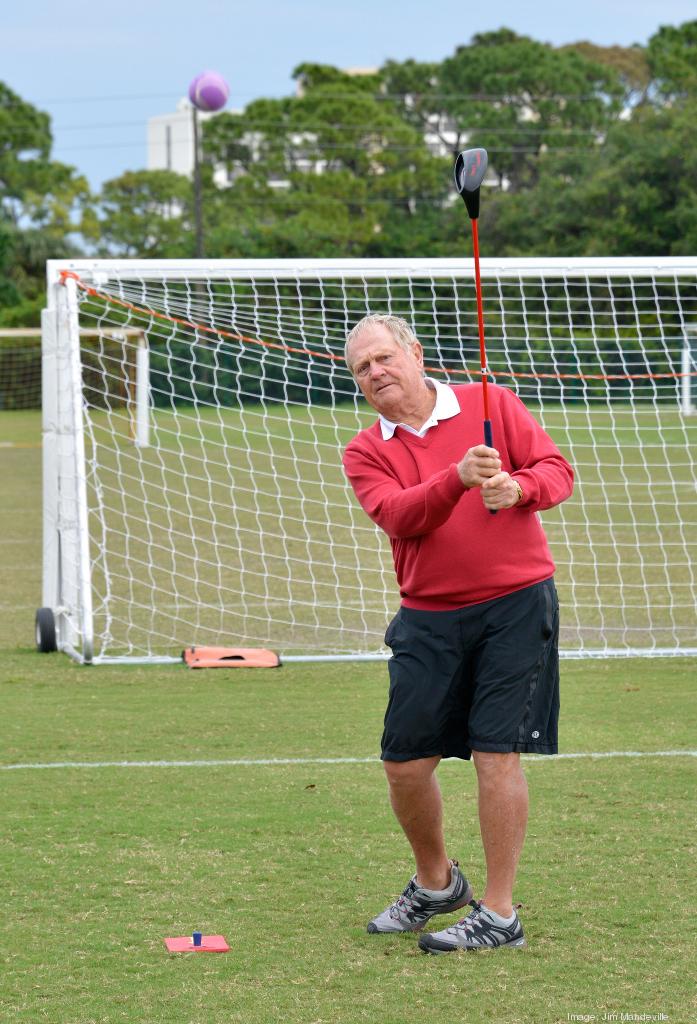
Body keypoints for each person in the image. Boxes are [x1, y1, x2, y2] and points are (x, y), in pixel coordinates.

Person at [342, 313, 574, 954]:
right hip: (428, 616)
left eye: (384, 358)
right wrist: (458, 478)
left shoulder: (491, 401)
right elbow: (398, 516)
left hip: (517, 605)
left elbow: (557, 470)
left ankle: (498, 914)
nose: (376, 373)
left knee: (497, 753)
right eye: (362, 368)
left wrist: (519, 488)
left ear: (415, 353)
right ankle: (437, 883)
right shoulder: (365, 451)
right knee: (403, 764)